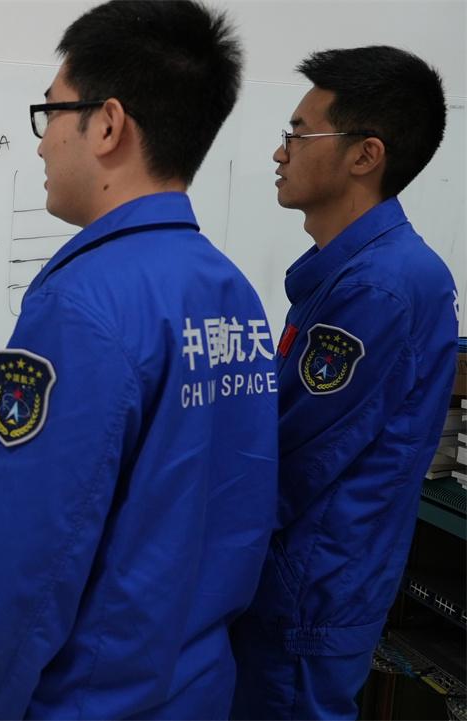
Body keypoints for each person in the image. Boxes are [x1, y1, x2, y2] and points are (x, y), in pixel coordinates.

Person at [0, 2, 279, 717]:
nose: (42, 145)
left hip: (94, 699)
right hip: (197, 689)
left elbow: (24, 561)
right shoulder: (230, 290)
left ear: (107, 125)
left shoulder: (81, 306)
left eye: (51, 113)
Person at [229, 46, 459, 720]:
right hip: (313, 585)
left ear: (365, 155)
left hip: (306, 593)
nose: (280, 153)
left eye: (299, 135)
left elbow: (295, 456)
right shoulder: (359, 272)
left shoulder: (378, 288)